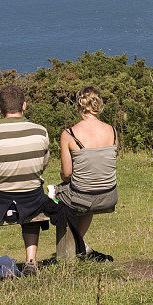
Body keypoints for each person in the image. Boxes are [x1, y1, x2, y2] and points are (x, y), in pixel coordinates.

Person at [0, 85, 50, 281]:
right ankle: (30, 261)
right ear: (24, 105)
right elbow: (43, 165)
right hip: (32, 197)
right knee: (32, 199)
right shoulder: (41, 132)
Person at [49, 86, 117, 261]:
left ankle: (72, 245)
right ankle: (80, 244)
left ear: (79, 106)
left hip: (83, 195)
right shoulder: (112, 130)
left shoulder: (69, 134)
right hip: (108, 195)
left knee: (53, 193)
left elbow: (66, 173)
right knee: (87, 195)